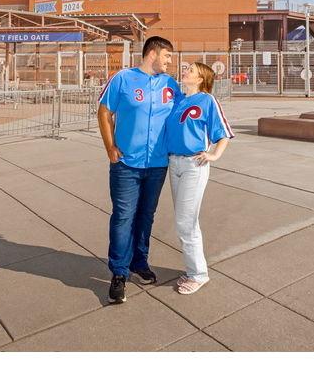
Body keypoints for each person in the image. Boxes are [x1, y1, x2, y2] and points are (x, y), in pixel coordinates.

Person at [97, 36, 184, 304]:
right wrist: (110, 147)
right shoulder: (123, 79)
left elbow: (185, 111)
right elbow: (103, 112)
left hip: (157, 165)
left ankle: (139, 262)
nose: (170, 61)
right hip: (126, 164)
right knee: (124, 217)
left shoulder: (170, 85)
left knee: (146, 216)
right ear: (154, 53)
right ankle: (119, 273)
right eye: (167, 55)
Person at [164, 61, 233, 294]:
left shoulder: (207, 100)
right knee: (183, 220)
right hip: (174, 163)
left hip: (194, 164)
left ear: (201, 78)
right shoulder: (178, 100)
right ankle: (193, 269)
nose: (185, 71)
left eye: (190, 70)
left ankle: (198, 274)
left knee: (186, 222)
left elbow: (222, 133)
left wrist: (215, 155)